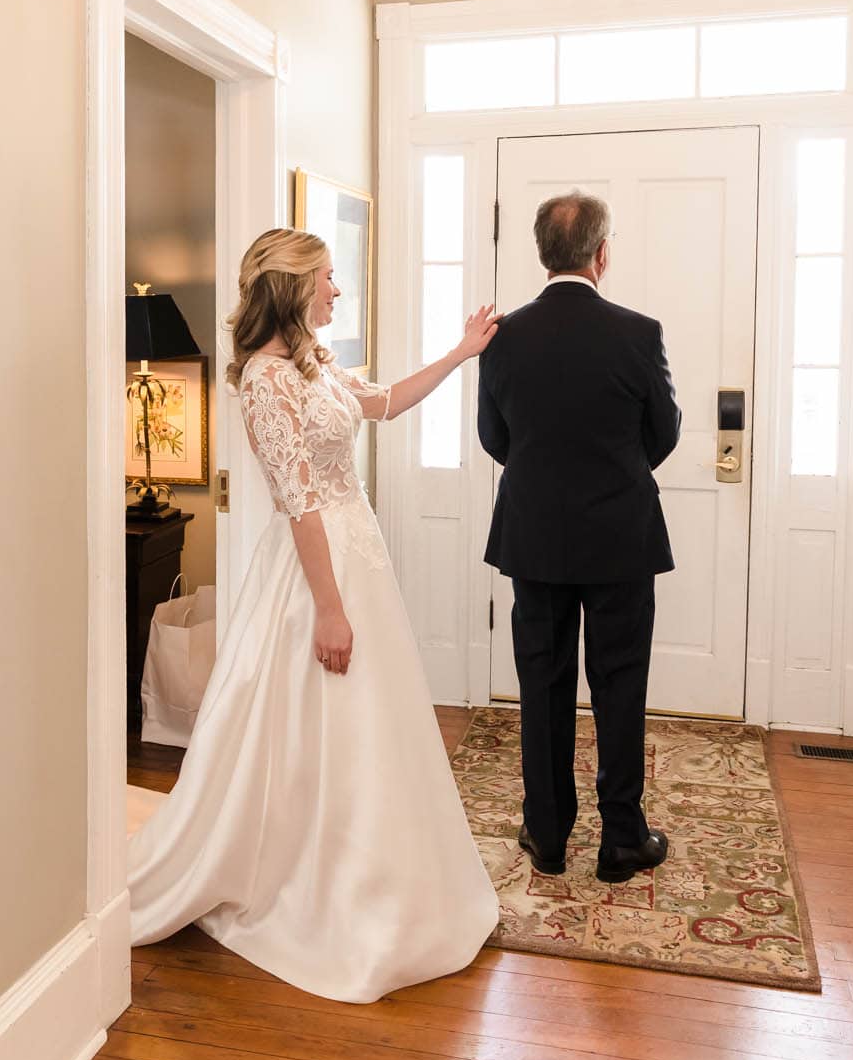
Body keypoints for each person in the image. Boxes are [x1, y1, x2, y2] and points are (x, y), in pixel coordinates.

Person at [127, 227, 501, 1003]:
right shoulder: (266, 380)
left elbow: (387, 402)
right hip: (316, 575)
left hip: (358, 558)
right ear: (294, 287)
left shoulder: (315, 363)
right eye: (329, 279)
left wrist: (463, 351)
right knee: (313, 725)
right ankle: (311, 880)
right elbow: (299, 506)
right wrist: (329, 611)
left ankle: (380, 878)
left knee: (373, 730)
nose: (338, 290)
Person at [477, 191, 680, 884]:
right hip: (622, 536)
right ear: (601, 253)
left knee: (543, 683)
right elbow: (665, 434)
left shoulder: (502, 336)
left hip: (533, 536)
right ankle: (622, 837)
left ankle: (549, 834)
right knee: (621, 686)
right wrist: (614, 475)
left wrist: (548, 476)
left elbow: (493, 438)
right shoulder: (638, 332)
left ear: (544, 254)